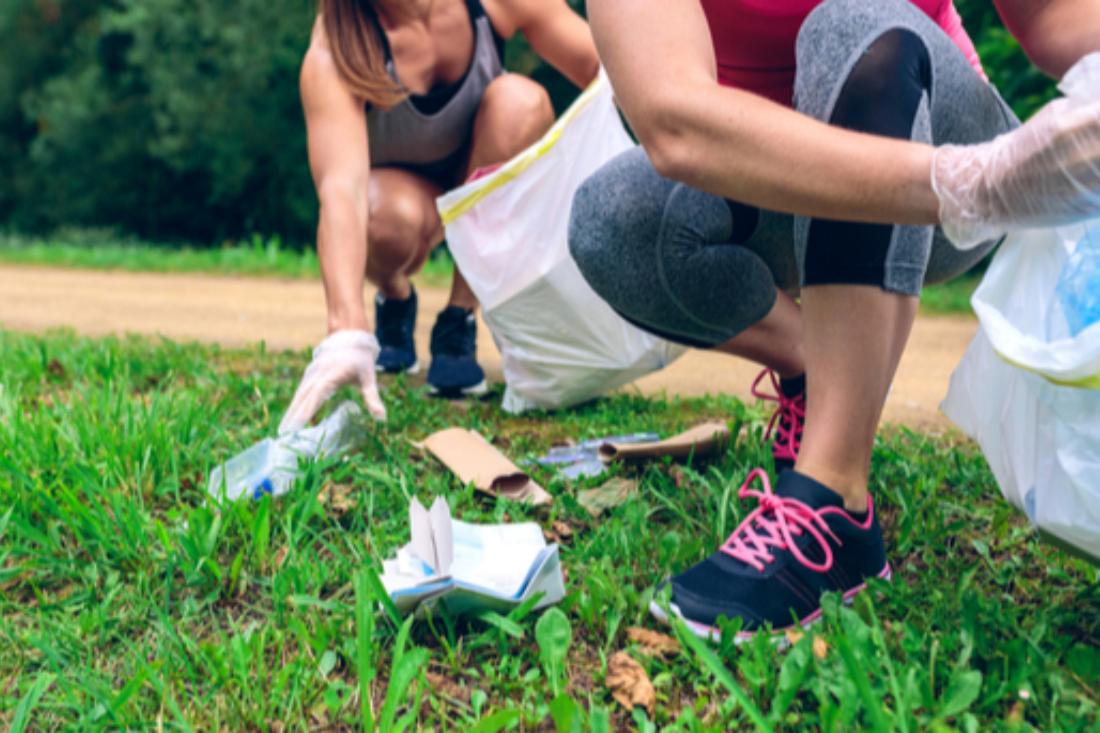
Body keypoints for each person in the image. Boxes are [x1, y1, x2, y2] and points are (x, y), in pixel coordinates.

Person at [570, 0, 1100, 641]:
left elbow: (1053, 15)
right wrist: (972, 183)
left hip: (925, 123)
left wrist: (989, 173)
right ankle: (812, 368)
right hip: (828, 178)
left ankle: (833, 496)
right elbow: (673, 119)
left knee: (852, 19)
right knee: (613, 222)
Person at [280, 0, 599, 434]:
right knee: (379, 214)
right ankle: (394, 299)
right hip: (400, 197)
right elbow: (342, 190)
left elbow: (609, 76)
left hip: (481, 174)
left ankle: (457, 320)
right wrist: (344, 330)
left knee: (522, 102)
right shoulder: (334, 51)